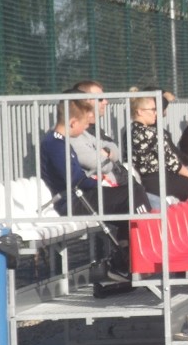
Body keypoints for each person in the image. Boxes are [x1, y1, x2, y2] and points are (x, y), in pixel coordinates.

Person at [40, 98, 151, 275]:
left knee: (132, 195)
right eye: (84, 124)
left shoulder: (60, 141)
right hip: (73, 202)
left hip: (82, 196)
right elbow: (74, 178)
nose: (85, 128)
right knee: (131, 193)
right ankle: (144, 251)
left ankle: (127, 260)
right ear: (72, 122)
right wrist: (98, 182)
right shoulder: (55, 145)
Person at [130, 96, 188, 201]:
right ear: (140, 112)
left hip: (148, 181)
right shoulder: (150, 133)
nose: (156, 113)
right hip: (161, 180)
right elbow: (172, 162)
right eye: (153, 109)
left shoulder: (131, 132)